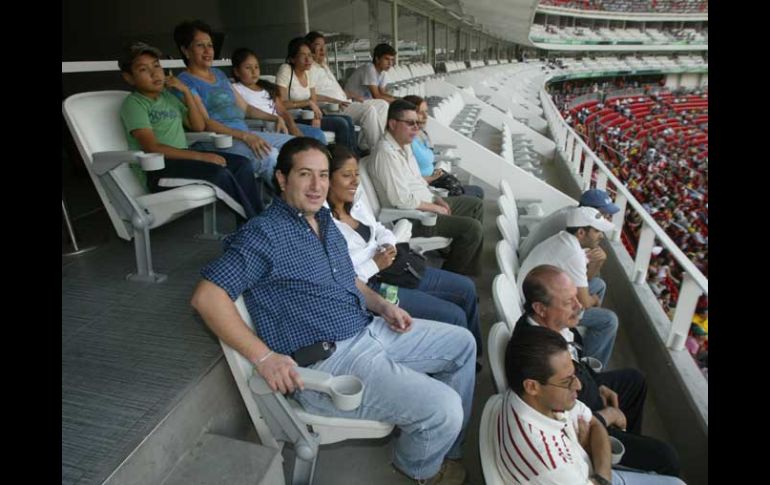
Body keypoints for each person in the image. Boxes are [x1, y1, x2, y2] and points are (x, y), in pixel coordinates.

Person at [190, 137, 476, 485]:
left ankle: (442, 447)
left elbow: (348, 278)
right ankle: (420, 469)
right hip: (331, 359)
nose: (317, 185)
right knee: (443, 408)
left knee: (463, 343)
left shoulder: (323, 221)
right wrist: (264, 358)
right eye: (305, 174)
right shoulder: (263, 234)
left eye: (323, 175)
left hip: (368, 327)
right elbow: (207, 297)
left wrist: (382, 305)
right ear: (282, 179)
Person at [512, 265, 682, 477]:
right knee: (666, 457)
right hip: (586, 423)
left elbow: (575, 371)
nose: (579, 305)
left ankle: (628, 435)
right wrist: (607, 416)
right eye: (568, 302)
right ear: (540, 308)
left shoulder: (553, 326)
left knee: (634, 380)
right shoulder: (536, 357)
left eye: (576, 296)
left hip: (587, 400)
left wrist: (597, 383)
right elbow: (569, 422)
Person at [326, 144, 482, 355]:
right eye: (346, 175)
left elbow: (379, 227)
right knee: (454, 316)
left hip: (394, 265)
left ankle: (474, 357)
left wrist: (389, 243)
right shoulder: (323, 223)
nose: (355, 181)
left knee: (466, 288)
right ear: (326, 179)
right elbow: (340, 276)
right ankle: (454, 361)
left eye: (356, 174)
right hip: (373, 285)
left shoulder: (354, 201)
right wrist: (375, 264)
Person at [497, 325, 685, 485]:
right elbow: (594, 427)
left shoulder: (536, 399)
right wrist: (589, 451)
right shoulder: (551, 465)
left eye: (574, 375)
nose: (577, 385)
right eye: (567, 381)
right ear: (532, 386)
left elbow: (594, 422)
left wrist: (601, 476)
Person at [118, 41, 262, 219]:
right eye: (143, 70)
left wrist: (186, 92)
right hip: (159, 170)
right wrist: (201, 156)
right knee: (219, 172)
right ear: (129, 78)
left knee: (241, 164)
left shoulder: (168, 97)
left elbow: (198, 126)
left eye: (156, 66)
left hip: (184, 159)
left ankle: (254, 222)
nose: (155, 73)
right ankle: (255, 223)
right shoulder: (134, 104)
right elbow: (152, 148)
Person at [173, 19, 294, 187]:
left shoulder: (219, 75)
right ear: (186, 51)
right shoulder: (185, 82)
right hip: (217, 142)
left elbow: (246, 109)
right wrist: (245, 136)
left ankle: (293, 200)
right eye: (200, 45)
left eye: (210, 45)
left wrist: (275, 118)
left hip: (244, 134)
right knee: (270, 155)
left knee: (295, 146)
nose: (208, 51)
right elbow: (206, 123)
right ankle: (284, 207)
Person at [369, 100, 484, 276]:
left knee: (476, 204)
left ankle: (464, 265)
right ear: (392, 124)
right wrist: (435, 207)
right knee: (472, 228)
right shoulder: (386, 153)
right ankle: (452, 276)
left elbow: (419, 181)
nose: (416, 128)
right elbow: (400, 200)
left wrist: (436, 198)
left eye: (417, 123)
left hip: (425, 203)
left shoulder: (404, 147)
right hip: (410, 218)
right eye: (410, 123)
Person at [517, 206, 619, 368]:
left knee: (599, 284)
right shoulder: (574, 254)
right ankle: (589, 369)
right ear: (581, 233)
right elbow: (584, 302)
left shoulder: (564, 238)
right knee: (609, 320)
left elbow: (585, 281)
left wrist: (598, 262)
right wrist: (593, 301)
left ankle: (583, 339)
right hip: (536, 307)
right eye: (597, 231)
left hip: (534, 291)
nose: (601, 235)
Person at [305, 31, 388, 151]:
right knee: (368, 111)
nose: (323, 49)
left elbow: (334, 90)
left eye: (324, 46)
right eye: (318, 45)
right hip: (332, 108)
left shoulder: (324, 65)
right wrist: (335, 100)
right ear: (309, 48)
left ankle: (364, 145)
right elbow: (310, 95)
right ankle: (379, 151)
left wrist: (351, 95)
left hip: (345, 101)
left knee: (382, 105)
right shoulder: (309, 68)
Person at [276, 38, 358, 154]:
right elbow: (281, 104)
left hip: (309, 116)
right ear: (292, 59)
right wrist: (308, 103)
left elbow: (313, 100)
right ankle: (340, 160)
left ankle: (352, 156)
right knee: (341, 124)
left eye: (309, 55)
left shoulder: (308, 72)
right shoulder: (286, 70)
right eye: (303, 55)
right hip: (294, 118)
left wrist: (316, 116)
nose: (308, 59)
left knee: (347, 120)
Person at [230, 47, 327, 145]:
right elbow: (244, 112)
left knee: (317, 134)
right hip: (260, 130)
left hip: (281, 124)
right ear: (237, 72)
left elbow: (283, 112)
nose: (254, 72)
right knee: (296, 144)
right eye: (248, 68)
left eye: (256, 67)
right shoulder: (235, 89)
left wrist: (293, 128)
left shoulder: (266, 87)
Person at [402, 95, 484, 199]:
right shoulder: (406, 143)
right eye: (419, 112)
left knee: (478, 191)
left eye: (426, 112)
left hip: (436, 177)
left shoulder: (422, 134)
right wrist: (431, 178)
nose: (425, 116)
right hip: (430, 187)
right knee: (476, 195)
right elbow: (409, 180)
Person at [518, 188, 620, 261]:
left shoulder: (571, 212)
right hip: (528, 265)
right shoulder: (574, 223)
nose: (606, 216)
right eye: (604, 212)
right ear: (590, 209)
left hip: (525, 255)